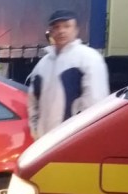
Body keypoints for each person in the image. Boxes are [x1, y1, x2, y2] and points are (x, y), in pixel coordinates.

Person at [27, 10, 110, 139]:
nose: (61, 31)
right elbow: (33, 102)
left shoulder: (88, 58)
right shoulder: (42, 65)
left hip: (73, 141)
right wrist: (36, 131)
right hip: (44, 143)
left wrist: (83, 136)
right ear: (51, 32)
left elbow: (95, 102)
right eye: (56, 27)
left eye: (66, 26)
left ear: (76, 30)